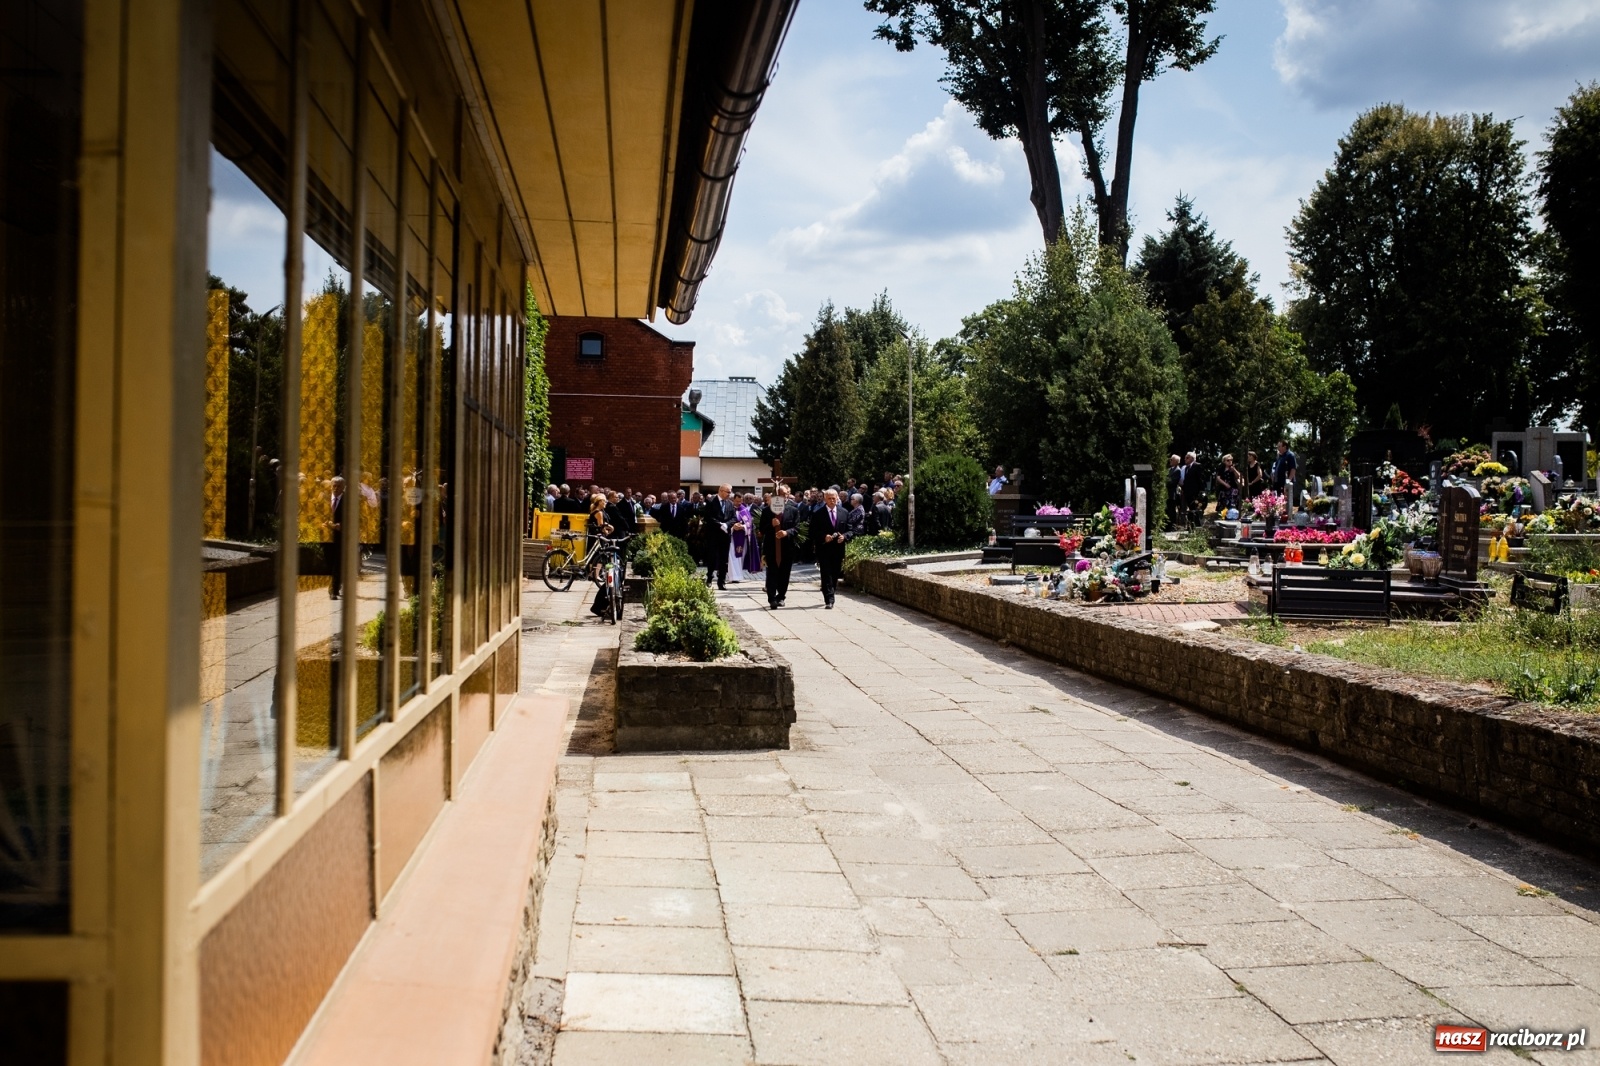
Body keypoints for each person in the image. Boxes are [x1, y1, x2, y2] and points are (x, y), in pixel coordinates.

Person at [809, 487, 854, 609]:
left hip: (838, 549)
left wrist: (844, 537)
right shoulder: (818, 514)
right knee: (826, 573)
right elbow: (812, 532)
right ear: (825, 499)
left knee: (835, 573)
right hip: (824, 549)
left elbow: (850, 530)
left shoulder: (844, 512)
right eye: (829, 499)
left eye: (833, 498)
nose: (831, 501)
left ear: (837, 498)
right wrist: (824, 537)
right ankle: (829, 599)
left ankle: (831, 591)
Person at [759, 485, 798, 608]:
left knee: (784, 573)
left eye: (785, 494)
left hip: (787, 547)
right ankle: (771, 598)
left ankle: (781, 596)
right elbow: (761, 529)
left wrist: (786, 532)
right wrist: (771, 524)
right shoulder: (766, 510)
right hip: (771, 547)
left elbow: (797, 528)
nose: (783, 496)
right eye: (780, 494)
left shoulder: (793, 510)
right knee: (772, 573)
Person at [585, 494, 616, 619]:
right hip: (600, 537)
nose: (606, 503)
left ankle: (593, 574)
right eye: (604, 501)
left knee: (595, 557)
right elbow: (601, 526)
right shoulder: (599, 513)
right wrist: (610, 530)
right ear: (600, 502)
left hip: (594, 537)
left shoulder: (595, 511)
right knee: (600, 558)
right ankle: (596, 575)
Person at [701, 484, 737, 589]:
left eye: (730, 492)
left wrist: (727, 524)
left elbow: (734, 517)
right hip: (713, 534)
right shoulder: (711, 502)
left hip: (725, 535)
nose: (729, 494)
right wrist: (720, 524)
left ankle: (721, 582)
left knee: (724, 559)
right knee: (712, 557)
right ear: (721, 491)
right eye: (728, 492)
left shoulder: (730, 504)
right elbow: (708, 517)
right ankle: (709, 578)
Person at [328, 476, 348, 599]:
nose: (336, 488)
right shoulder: (324, 498)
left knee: (337, 562)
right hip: (325, 535)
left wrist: (341, 525)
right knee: (328, 562)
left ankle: (334, 590)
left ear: (343, 487)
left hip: (341, 537)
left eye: (338, 486)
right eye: (334, 486)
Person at [1179, 451, 1205, 527]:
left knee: (1195, 509)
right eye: (1185, 457)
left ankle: (1198, 526)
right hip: (1187, 492)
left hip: (1195, 493)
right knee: (1190, 510)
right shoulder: (1186, 468)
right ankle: (1191, 526)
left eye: (1187, 458)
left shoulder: (1197, 466)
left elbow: (1201, 479)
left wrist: (1201, 491)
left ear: (1192, 458)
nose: (1185, 459)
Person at [1271, 439, 1298, 507]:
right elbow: (1276, 467)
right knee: (1277, 499)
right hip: (1277, 482)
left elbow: (1293, 469)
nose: (1278, 448)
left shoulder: (1290, 455)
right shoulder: (1280, 456)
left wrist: (1288, 481)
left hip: (1285, 482)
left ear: (1284, 447)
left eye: (1279, 446)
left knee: (1285, 501)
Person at [1164, 455, 1182, 526]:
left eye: (1172, 460)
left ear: (1176, 462)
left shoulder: (1177, 470)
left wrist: (1165, 482)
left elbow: (1173, 482)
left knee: (1172, 510)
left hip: (1172, 493)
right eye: (1170, 459)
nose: (1170, 461)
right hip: (1167, 493)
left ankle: (1173, 525)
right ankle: (1167, 525)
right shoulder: (1169, 469)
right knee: (1167, 510)